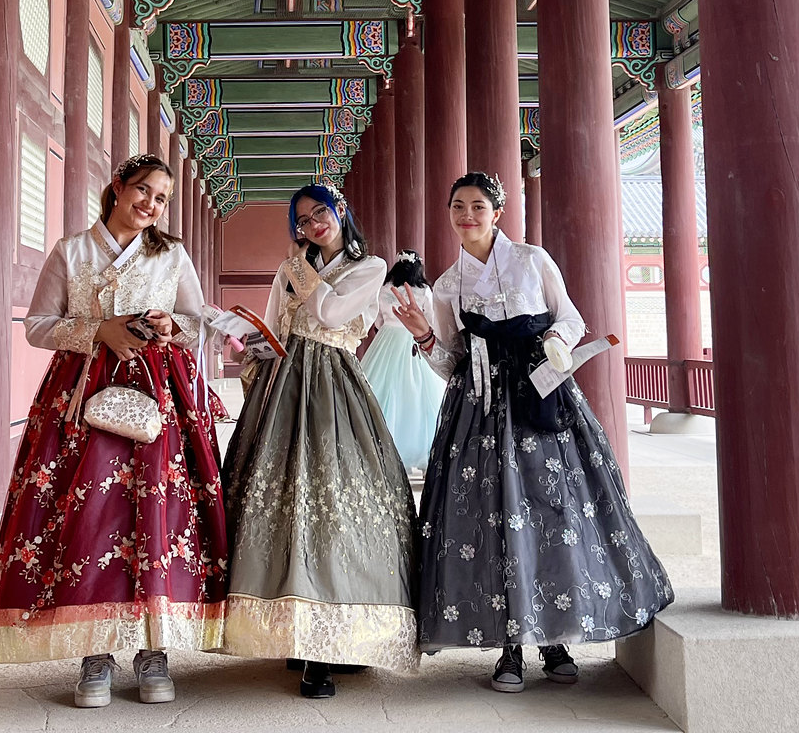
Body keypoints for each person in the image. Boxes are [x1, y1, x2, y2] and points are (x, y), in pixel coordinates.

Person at [393, 172, 674, 693]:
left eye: (478, 206)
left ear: (497, 212)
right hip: (477, 412)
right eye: (458, 206)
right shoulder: (448, 285)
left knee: (553, 510)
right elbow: (451, 361)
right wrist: (425, 335)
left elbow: (572, 318)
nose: (467, 215)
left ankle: (554, 638)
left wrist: (553, 343)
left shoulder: (531, 260)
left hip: (539, 400)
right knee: (493, 517)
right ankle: (509, 647)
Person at [0, 154, 227, 709]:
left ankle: (154, 648)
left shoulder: (173, 255)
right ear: (117, 187)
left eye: (161, 198)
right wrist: (100, 330)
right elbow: (38, 326)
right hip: (83, 393)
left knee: (160, 512)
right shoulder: (73, 251)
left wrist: (169, 325)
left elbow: (195, 323)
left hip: (160, 392)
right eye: (142, 191)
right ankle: (95, 650)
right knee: (92, 511)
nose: (151, 204)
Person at [219, 184, 418, 698]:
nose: (312, 225)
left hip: (336, 392)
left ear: (340, 211)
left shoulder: (370, 267)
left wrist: (300, 269)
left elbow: (331, 316)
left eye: (319, 214)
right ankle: (295, 634)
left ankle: (332, 644)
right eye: (302, 220)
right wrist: (250, 347)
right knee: (282, 508)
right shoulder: (289, 271)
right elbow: (279, 329)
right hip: (283, 388)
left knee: (337, 507)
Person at [359, 251, 445, 471]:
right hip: (415, 340)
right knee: (420, 397)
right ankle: (424, 455)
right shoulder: (424, 291)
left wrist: (389, 326)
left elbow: (377, 322)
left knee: (384, 392)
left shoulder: (384, 290)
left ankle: (385, 452)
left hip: (387, 341)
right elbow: (431, 320)